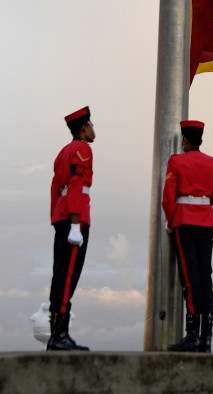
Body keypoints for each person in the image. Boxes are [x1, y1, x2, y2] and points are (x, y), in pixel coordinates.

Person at [162, 120, 213, 353]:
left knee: (190, 278)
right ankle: (206, 336)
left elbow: (168, 197)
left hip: (184, 220)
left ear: (184, 140)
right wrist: (203, 199)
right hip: (206, 220)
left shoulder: (176, 161)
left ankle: (192, 335)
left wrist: (171, 220)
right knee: (205, 277)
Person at [46, 106, 95, 351]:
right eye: (91, 126)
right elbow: (76, 184)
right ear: (83, 129)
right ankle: (60, 335)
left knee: (61, 273)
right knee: (68, 277)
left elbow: (56, 188)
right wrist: (75, 224)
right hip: (74, 216)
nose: (93, 130)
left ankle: (56, 333)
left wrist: (57, 217)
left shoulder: (63, 151)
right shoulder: (82, 149)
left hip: (63, 215)